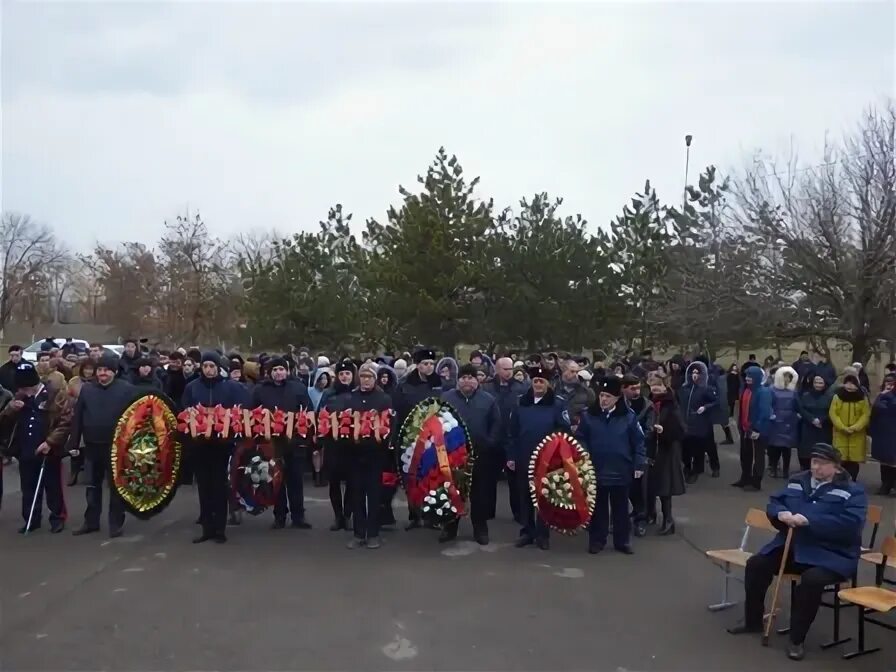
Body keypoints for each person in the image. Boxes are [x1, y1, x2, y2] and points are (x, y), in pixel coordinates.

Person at [728, 443, 867, 662]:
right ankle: (753, 622)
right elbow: (775, 501)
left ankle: (797, 639)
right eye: (814, 462)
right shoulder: (797, 480)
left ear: (837, 468)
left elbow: (850, 524)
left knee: (811, 581)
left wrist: (810, 520)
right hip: (793, 547)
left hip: (831, 555)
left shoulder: (853, 491)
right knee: (757, 564)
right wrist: (781, 513)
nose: (816, 468)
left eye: (823, 464)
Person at [181, 352, 249, 543]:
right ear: (201, 368)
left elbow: (240, 412)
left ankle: (220, 529)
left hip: (222, 445)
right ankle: (207, 528)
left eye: (212, 366)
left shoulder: (231, 387)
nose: (209, 370)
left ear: (218, 368)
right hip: (200, 445)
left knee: (219, 486)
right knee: (204, 487)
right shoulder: (192, 387)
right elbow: (185, 411)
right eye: (205, 366)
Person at [66, 354, 135, 538]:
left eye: (106, 370)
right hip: (91, 445)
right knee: (92, 486)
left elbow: (134, 419)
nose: (102, 374)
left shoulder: (126, 390)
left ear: (114, 372)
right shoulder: (87, 390)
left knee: (116, 487)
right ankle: (91, 521)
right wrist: (74, 442)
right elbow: (78, 417)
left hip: (116, 447)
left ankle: (115, 523)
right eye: (99, 370)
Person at [576, 376, 646, 555]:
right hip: (596, 468)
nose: (604, 400)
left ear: (617, 398)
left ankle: (622, 541)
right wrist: (584, 454)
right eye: (602, 396)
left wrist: (639, 464)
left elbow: (638, 442)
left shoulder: (628, 417)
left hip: (621, 468)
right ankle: (597, 540)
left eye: (608, 396)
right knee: (598, 508)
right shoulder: (589, 416)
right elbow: (581, 437)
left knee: (621, 508)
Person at [0, 362, 72, 533]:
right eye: (22, 389)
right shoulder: (18, 397)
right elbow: (3, 423)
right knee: (28, 487)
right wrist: (10, 409)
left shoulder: (54, 395)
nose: (25, 392)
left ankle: (57, 517)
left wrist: (50, 442)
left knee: (53, 486)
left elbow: (65, 422)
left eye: (27, 388)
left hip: (48, 449)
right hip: (25, 448)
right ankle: (31, 518)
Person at [440, 364, 502, 545]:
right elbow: (437, 421)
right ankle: (450, 527)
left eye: (470, 377)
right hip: (453, 454)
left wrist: (489, 442)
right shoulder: (446, 398)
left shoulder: (488, 400)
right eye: (463, 377)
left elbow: (496, 424)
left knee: (479, 493)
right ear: (458, 380)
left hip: (480, 454)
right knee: (454, 491)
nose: (466, 381)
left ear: (477, 380)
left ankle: (480, 528)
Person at [508, 366, 569, 549]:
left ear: (548, 384)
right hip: (524, 455)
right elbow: (512, 432)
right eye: (535, 381)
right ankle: (527, 531)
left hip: (547, 458)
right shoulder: (521, 403)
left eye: (542, 381)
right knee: (525, 495)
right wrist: (511, 456)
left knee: (544, 496)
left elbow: (564, 430)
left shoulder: (557, 403)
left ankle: (543, 534)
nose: (538, 384)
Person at [252, 356, 313, 530]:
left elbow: (307, 411)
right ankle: (279, 516)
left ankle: (298, 516)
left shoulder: (298, 388)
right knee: (276, 480)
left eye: (281, 369)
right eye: (275, 370)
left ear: (287, 370)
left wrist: (304, 434)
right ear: (269, 372)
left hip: (294, 442)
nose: (278, 373)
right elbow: (252, 413)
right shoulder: (260, 390)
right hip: (272, 443)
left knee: (295, 480)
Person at [345, 363, 394, 549]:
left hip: (376, 453)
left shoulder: (384, 399)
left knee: (374, 494)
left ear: (375, 379)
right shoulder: (350, 398)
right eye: (363, 376)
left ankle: (373, 533)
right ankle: (359, 533)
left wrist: (387, 444)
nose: (366, 380)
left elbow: (390, 424)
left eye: (370, 377)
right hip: (354, 453)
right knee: (356, 493)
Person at [396, 347, 443, 530]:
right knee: (412, 477)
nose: (429, 367)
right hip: (411, 437)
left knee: (433, 477)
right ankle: (414, 514)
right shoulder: (405, 385)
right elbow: (399, 412)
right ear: (417, 365)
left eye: (432, 364)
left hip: (434, 438)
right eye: (425, 364)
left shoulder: (439, 384)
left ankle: (432, 515)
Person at [483, 356, 527, 525]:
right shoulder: (486, 388)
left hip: (512, 440)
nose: (509, 373)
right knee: (488, 479)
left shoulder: (521, 388)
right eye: (505, 369)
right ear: (497, 370)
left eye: (511, 369)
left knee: (515, 481)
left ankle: (518, 513)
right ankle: (488, 511)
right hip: (493, 439)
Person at [644, 373, 686, 535]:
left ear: (664, 387)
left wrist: (664, 431)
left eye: (658, 387)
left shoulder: (671, 405)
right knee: (650, 484)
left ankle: (668, 519)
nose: (655, 390)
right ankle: (650, 513)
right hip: (653, 448)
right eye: (652, 387)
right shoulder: (650, 403)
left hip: (666, 450)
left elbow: (681, 430)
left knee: (665, 487)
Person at [322, 359, 356, 531]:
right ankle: (338, 516)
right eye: (341, 374)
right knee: (334, 482)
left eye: (348, 374)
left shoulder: (358, 393)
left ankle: (348, 515)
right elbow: (320, 415)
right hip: (333, 444)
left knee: (351, 482)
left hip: (352, 444)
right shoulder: (329, 394)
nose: (344, 377)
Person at [622, 374, 654, 537]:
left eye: (638, 387)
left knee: (639, 489)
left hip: (639, 452)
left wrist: (637, 436)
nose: (636, 391)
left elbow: (649, 430)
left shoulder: (646, 406)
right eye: (632, 388)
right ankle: (622, 518)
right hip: (621, 452)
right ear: (623, 389)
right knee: (622, 489)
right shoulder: (620, 405)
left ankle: (641, 519)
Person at [676, 361, 718, 483]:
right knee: (686, 450)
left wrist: (705, 407)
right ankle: (687, 468)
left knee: (699, 449)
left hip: (700, 424)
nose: (695, 375)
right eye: (693, 373)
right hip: (685, 424)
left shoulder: (706, 389)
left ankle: (696, 471)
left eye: (697, 373)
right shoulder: (683, 389)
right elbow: (678, 403)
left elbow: (716, 402)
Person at [732, 365, 772, 491]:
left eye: (751, 376)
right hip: (745, 429)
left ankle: (756, 482)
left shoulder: (763, 392)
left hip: (757, 430)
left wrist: (758, 430)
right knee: (745, 454)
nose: (748, 379)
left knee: (758, 456)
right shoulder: (746, 390)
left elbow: (764, 413)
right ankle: (745, 478)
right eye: (747, 376)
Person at [829, 374, 870, 482]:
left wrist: (855, 427)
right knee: (840, 459)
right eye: (847, 383)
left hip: (857, 434)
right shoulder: (837, 397)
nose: (850, 386)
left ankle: (852, 480)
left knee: (853, 461)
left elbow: (865, 414)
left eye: (852, 384)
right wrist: (842, 427)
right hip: (840, 433)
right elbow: (833, 413)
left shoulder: (862, 398)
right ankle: (839, 480)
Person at [766, 366, 799, 479]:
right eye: (785, 376)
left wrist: (797, 415)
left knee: (787, 448)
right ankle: (773, 468)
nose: (787, 379)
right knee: (775, 447)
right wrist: (771, 415)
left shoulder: (793, 391)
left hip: (789, 422)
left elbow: (797, 405)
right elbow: (768, 404)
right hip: (776, 421)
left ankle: (786, 470)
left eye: (789, 377)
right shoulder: (772, 390)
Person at [796, 374, 833, 471]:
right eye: (816, 382)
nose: (818, 385)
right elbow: (801, 409)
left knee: (821, 452)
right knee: (806, 452)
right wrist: (812, 419)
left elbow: (832, 411)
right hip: (808, 426)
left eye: (820, 383)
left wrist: (821, 420)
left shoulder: (830, 397)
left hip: (823, 428)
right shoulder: (806, 395)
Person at [869, 373, 896, 495]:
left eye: (892, 383)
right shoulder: (882, 396)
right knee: (884, 460)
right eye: (887, 383)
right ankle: (885, 484)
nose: (889, 385)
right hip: (883, 431)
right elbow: (876, 410)